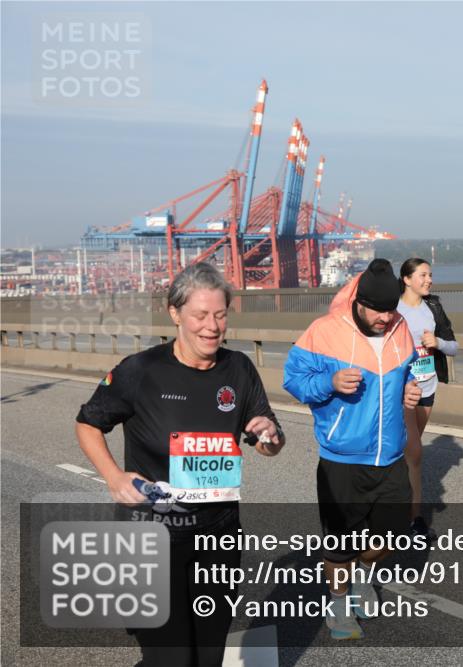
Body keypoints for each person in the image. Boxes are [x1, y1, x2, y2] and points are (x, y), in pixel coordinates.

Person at [75, 262, 285, 667]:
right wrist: (113, 477)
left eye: (220, 315)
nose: (212, 326)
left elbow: (268, 441)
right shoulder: (141, 371)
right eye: (200, 315)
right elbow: (87, 423)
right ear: (175, 314)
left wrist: (269, 436)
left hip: (219, 535)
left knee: (207, 657)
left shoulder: (238, 368)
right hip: (151, 538)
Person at [283, 258, 421, 640]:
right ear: (359, 302)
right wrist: (328, 381)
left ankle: (363, 573)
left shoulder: (400, 327)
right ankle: (339, 600)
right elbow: (293, 381)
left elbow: (408, 374)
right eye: (377, 309)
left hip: (391, 455)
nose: (384, 317)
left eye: (391, 309)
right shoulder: (324, 332)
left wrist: (409, 390)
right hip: (342, 460)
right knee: (339, 547)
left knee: (392, 536)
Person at [395, 257, 458, 537]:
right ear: (406, 279)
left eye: (430, 275)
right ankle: (414, 520)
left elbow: (454, 347)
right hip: (402, 390)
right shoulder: (392, 310)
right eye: (422, 275)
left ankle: (399, 503)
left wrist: (438, 343)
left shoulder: (433, 306)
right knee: (416, 453)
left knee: (408, 453)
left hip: (428, 387)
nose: (428, 280)